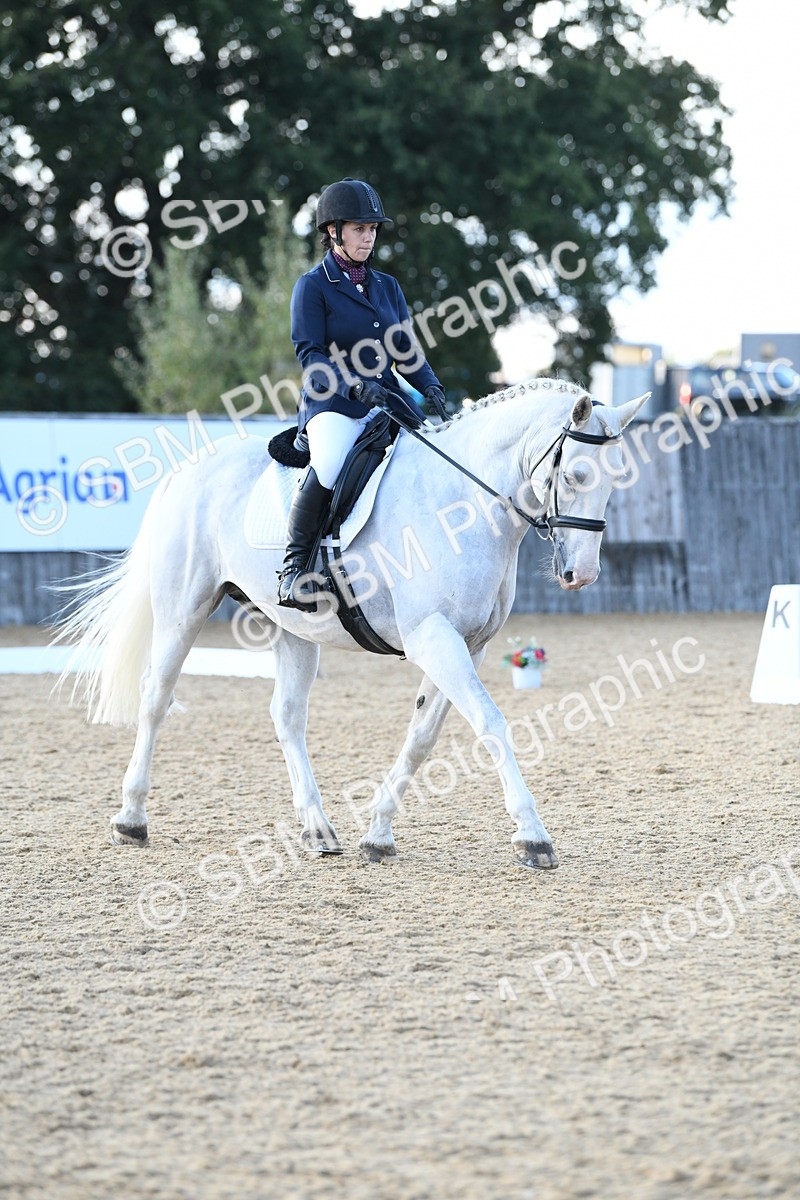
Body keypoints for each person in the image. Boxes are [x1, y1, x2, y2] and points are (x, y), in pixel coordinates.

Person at [277, 177, 446, 609]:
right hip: (331, 400)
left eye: (372, 229)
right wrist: (350, 382)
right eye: (359, 228)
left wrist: (430, 386)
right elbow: (310, 353)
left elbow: (404, 350)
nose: (368, 237)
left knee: (429, 456)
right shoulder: (312, 286)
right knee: (331, 462)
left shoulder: (387, 286)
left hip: (385, 400)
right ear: (333, 231)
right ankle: (294, 568)